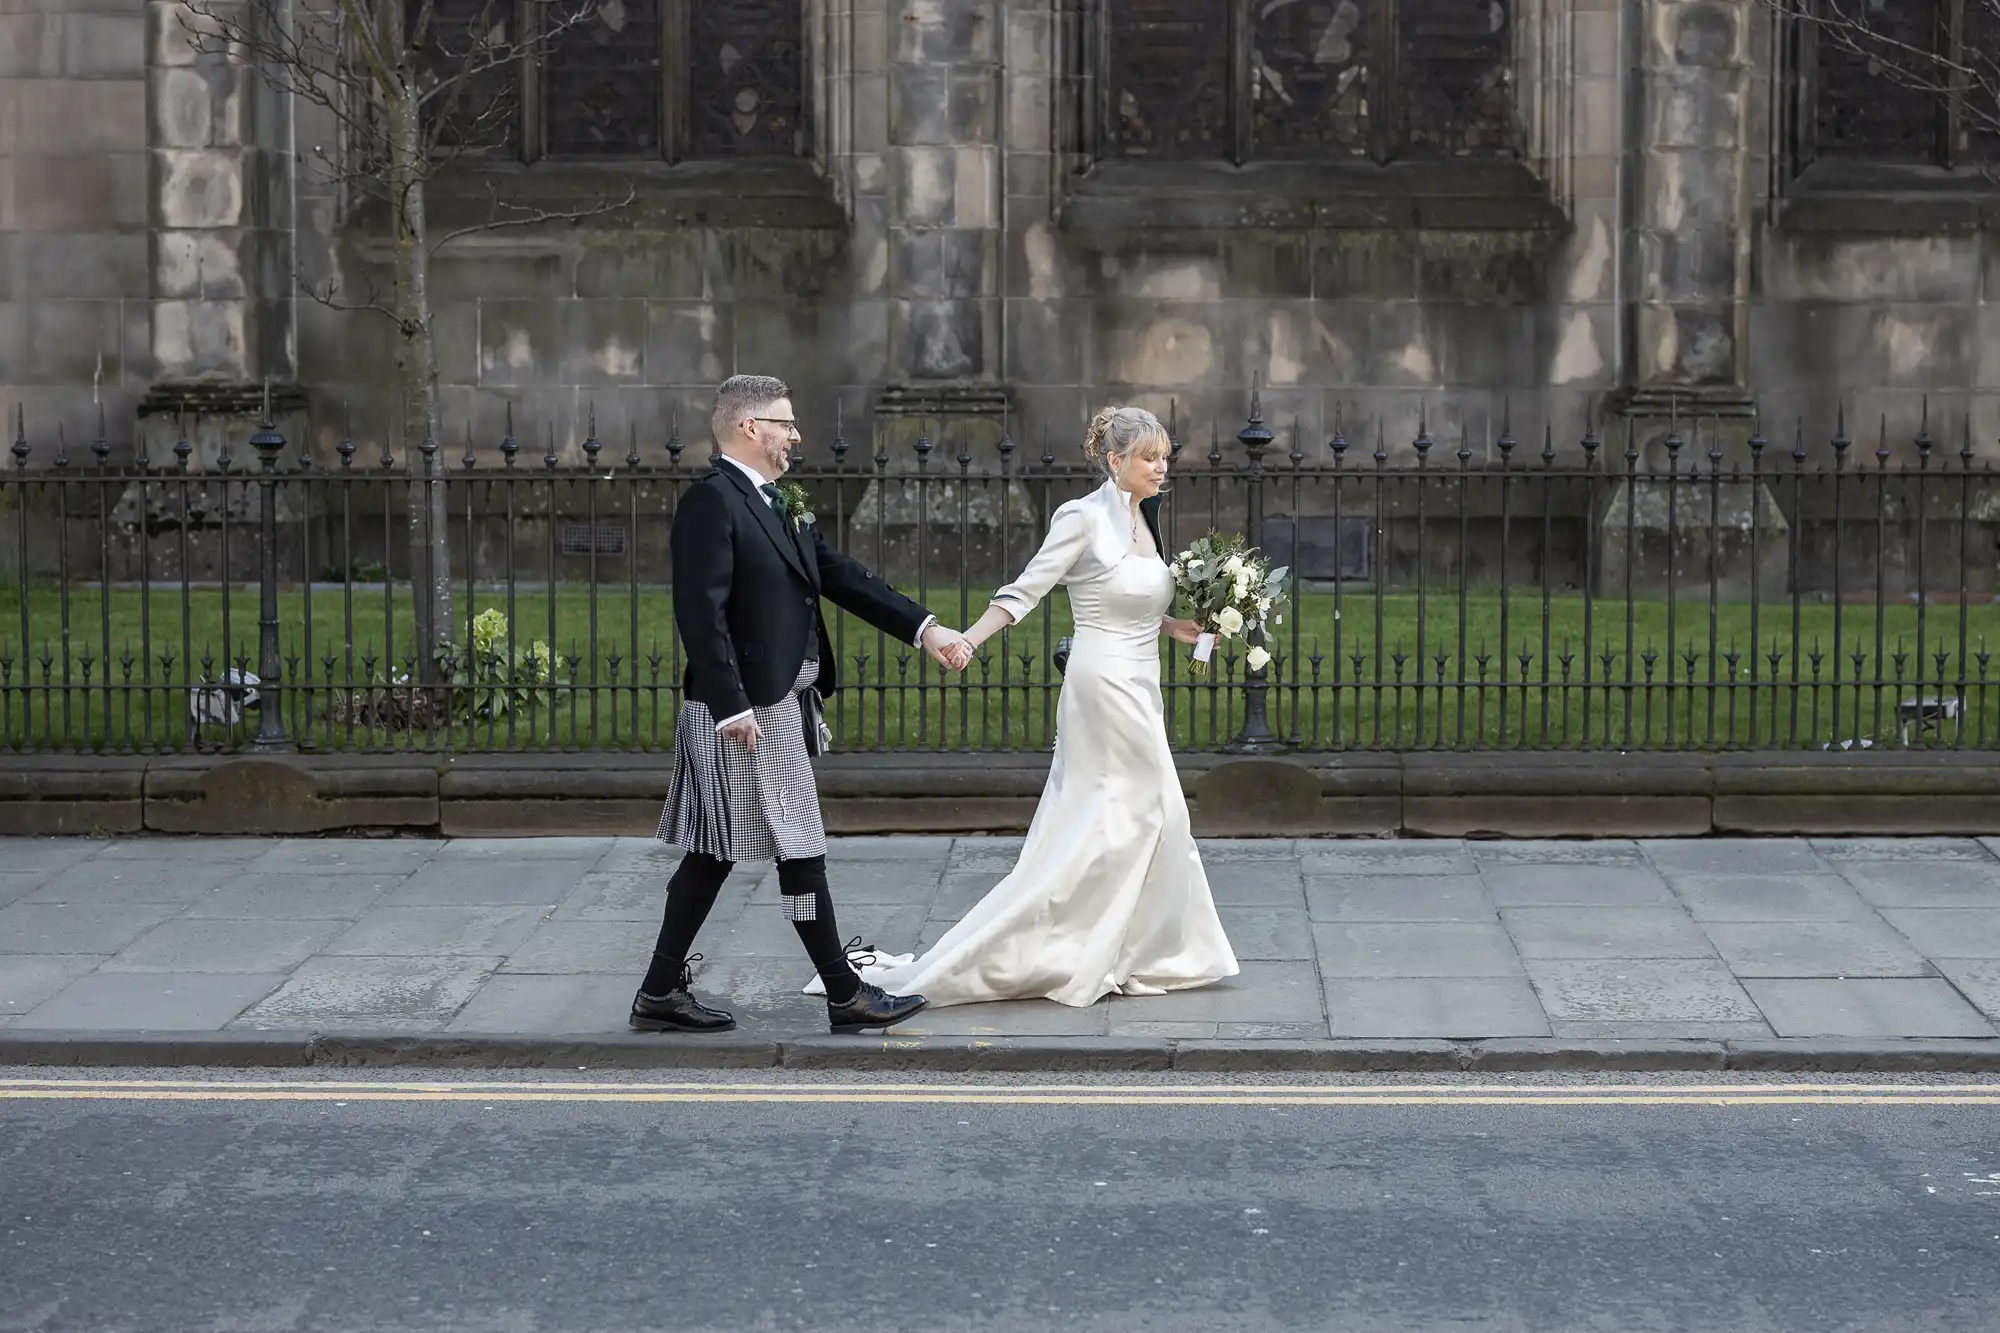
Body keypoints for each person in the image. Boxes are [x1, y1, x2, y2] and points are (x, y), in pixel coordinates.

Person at [809, 405, 1239, 1008]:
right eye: (1149, 457)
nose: (1161, 467)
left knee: (1144, 812)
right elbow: (1027, 588)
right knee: (1137, 809)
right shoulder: (1082, 518)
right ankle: (1080, 948)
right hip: (1102, 686)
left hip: (1143, 680)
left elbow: (1130, 599)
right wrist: (966, 640)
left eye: (1165, 457)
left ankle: (1130, 947)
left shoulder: (1147, 518)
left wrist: (1180, 628)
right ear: (1115, 461)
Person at [632, 374, 972, 1035]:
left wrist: (925, 627)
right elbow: (698, 613)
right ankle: (846, 993)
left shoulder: (777, 502)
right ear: (748, 427)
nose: (796, 435)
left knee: (714, 850)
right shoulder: (713, 502)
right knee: (798, 844)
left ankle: (658, 989)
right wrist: (732, 705)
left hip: (776, 701)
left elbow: (842, 576)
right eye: (785, 423)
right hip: (746, 708)